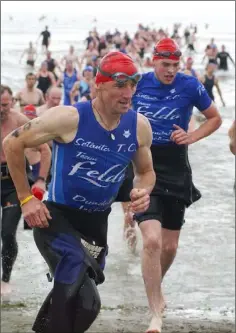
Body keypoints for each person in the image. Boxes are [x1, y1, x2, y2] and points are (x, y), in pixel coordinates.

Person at [3, 51, 156, 333]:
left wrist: (142, 191)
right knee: (73, 266)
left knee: (87, 305)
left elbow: (146, 172)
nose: (128, 92)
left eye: (133, 84)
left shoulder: (139, 126)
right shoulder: (69, 118)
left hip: (96, 225)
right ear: (99, 84)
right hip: (56, 218)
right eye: (120, 84)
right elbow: (12, 144)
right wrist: (26, 199)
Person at [130, 38, 222, 333]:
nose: (170, 70)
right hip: (144, 164)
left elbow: (215, 118)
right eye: (164, 64)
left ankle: (155, 287)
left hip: (176, 165)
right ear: (153, 61)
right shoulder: (138, 84)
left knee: (169, 245)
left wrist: (191, 137)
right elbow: (114, 113)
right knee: (152, 241)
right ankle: (155, 311)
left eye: (174, 65)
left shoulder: (189, 85)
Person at [1, 85, 51, 296]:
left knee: (7, 232)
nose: (2, 109)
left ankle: (4, 280)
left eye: (5, 104)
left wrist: (40, 180)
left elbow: (45, 149)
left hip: (14, 183)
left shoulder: (20, 121)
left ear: (12, 102)